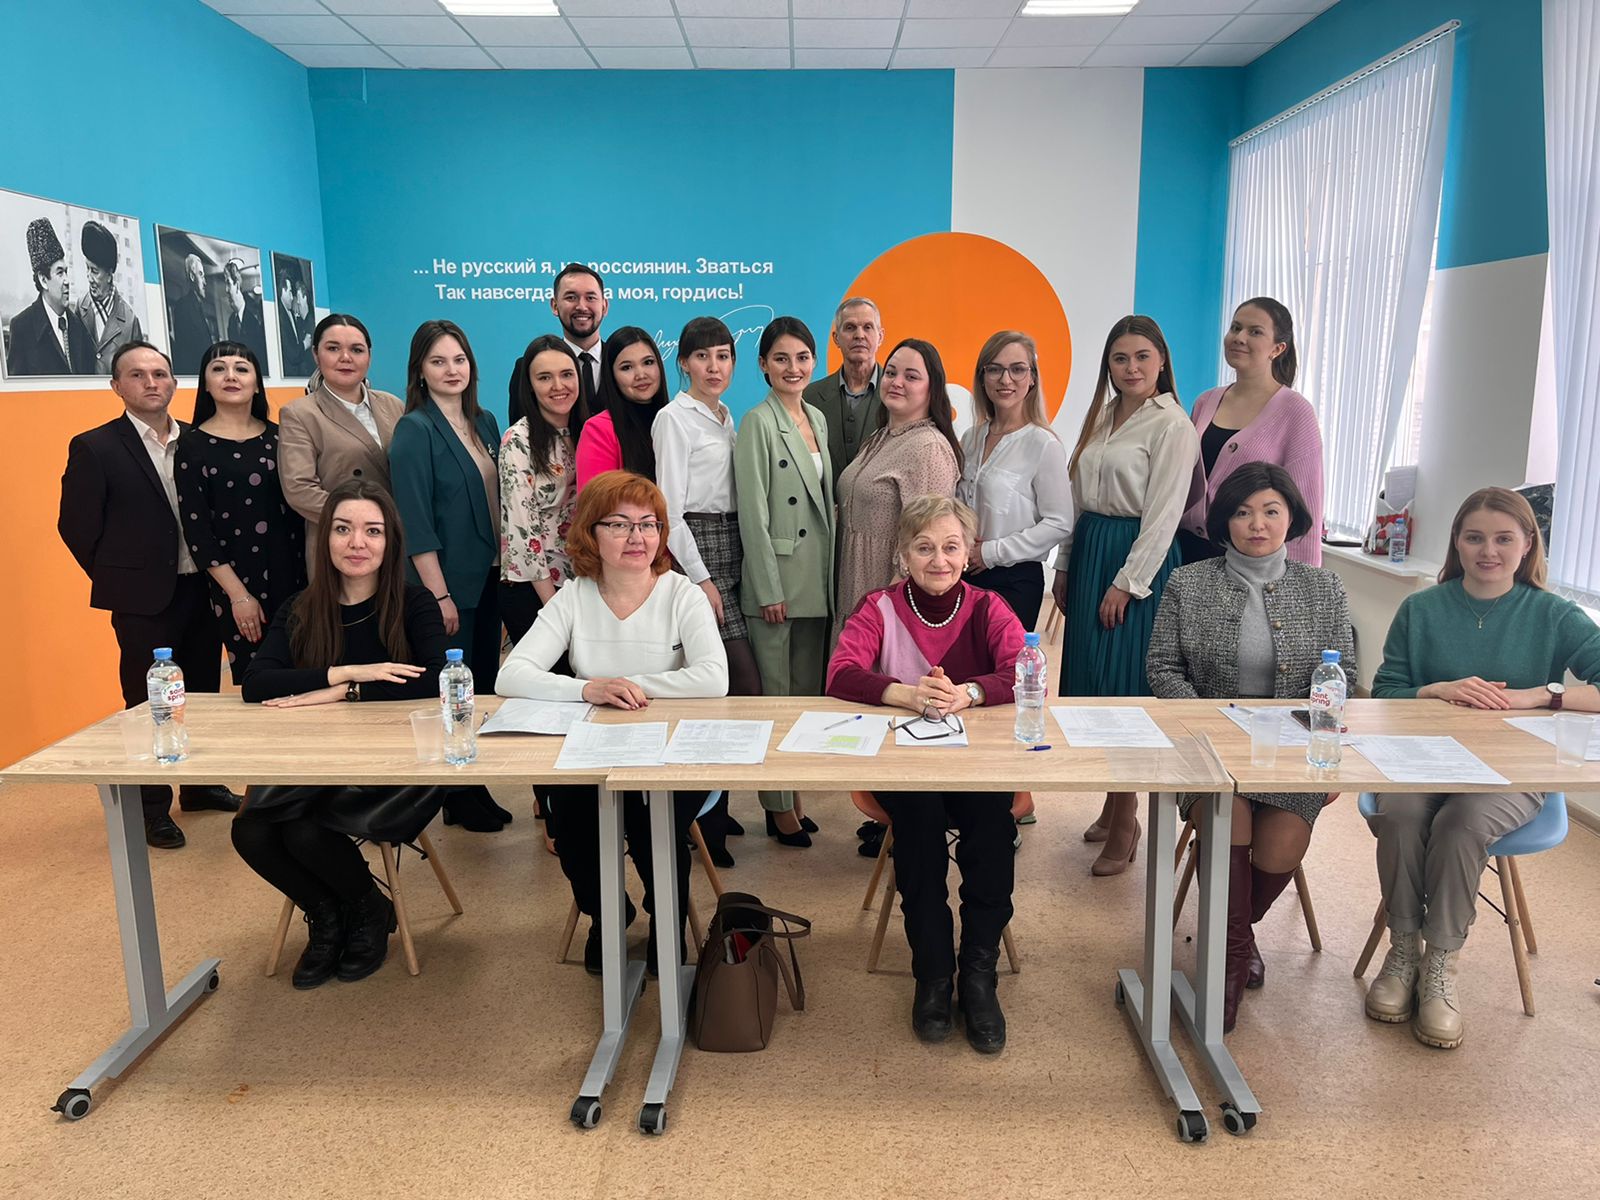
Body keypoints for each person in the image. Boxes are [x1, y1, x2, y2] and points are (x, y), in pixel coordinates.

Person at [1366, 487, 1600, 1049]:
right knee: (1400, 815)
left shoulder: (1554, 615)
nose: (1488, 551)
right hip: (1421, 762)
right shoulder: (1421, 609)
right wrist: (1434, 690)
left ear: (1527, 545)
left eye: (1503, 539)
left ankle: (1440, 963)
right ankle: (1404, 951)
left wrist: (1542, 695)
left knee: (1461, 823)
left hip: (1509, 773)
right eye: (1474, 538)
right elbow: (1383, 692)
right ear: (1457, 542)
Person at [1146, 462, 1353, 1032]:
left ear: (1292, 518)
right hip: (1207, 748)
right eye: (1242, 512)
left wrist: (1321, 746)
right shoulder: (1189, 582)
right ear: (1224, 521)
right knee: (1225, 821)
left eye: (1270, 511)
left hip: (1293, 751)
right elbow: (1162, 668)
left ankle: (1235, 932)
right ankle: (1230, 962)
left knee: (1282, 847)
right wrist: (1210, 724)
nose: (1256, 524)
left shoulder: (1324, 587)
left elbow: (1344, 676)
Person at [497, 471, 728, 976]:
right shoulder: (574, 596)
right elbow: (511, 675)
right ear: (591, 534)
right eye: (619, 524)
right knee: (572, 822)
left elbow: (714, 679)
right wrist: (588, 689)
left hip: (671, 750)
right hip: (594, 749)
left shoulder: (682, 594)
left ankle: (666, 921)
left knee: (652, 820)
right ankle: (607, 914)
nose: (637, 537)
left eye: (648, 524)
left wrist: (630, 685)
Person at [827, 496, 1025, 1054]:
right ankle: (933, 974)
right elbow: (840, 673)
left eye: (951, 547)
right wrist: (906, 694)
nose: (939, 559)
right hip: (905, 767)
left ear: (967, 553)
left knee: (992, 833)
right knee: (918, 835)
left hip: (977, 768)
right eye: (924, 547)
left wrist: (971, 692)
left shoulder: (988, 606)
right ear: (903, 554)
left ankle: (979, 974)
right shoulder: (879, 606)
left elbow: (1023, 670)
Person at [234, 480, 448, 990]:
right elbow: (256, 684)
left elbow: (439, 680)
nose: (357, 543)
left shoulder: (414, 603)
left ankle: (365, 911)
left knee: (306, 830)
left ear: (390, 541)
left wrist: (344, 693)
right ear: (325, 538)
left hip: (399, 769)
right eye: (343, 529)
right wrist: (347, 672)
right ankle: (332, 912)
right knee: (250, 831)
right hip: (314, 762)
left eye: (372, 531)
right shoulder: (301, 607)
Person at [57, 342, 238, 850]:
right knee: (148, 702)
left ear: (174, 383)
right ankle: (151, 808)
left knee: (202, 692)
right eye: (137, 375)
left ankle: (200, 787)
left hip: (203, 588)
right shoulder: (96, 447)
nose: (151, 382)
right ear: (117, 386)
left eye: (160, 373)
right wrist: (121, 576)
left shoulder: (198, 440)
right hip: (142, 600)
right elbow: (76, 527)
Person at [1052, 315, 1199, 876]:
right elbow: (1076, 500)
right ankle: (1112, 806)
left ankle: (1128, 817)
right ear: (1108, 366)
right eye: (1120, 358)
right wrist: (1065, 565)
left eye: (1142, 356)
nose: (1131, 367)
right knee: (1093, 681)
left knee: (1125, 687)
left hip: (1136, 560)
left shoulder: (1173, 425)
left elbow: (1163, 517)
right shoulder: (1102, 416)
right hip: (1092, 548)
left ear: (1161, 361)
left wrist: (1127, 583)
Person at [389, 319, 509, 835]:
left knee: (481, 685)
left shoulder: (485, 421)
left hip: (490, 576)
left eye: (459, 359)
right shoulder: (414, 430)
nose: (451, 370)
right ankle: (456, 792)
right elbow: (414, 521)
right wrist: (438, 594)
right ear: (420, 371)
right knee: (455, 692)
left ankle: (471, 786)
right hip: (446, 585)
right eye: (438, 361)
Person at [652, 316, 761, 863]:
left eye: (723, 356)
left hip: (735, 541)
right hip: (698, 545)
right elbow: (668, 512)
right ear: (684, 363)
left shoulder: (726, 416)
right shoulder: (673, 419)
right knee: (734, 683)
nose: (714, 366)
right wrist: (701, 578)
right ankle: (702, 819)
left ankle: (717, 809)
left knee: (734, 690)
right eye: (702, 356)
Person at [735, 316, 834, 843]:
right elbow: (753, 514)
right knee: (775, 699)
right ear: (763, 365)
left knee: (804, 698)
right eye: (781, 358)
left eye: (802, 358)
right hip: (777, 581)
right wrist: (767, 587)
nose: (793, 368)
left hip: (816, 578)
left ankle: (793, 791)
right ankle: (775, 806)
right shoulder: (756, 422)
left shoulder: (816, 417)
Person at [176, 341, 307, 684]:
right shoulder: (192, 445)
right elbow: (197, 531)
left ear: (257, 384)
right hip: (238, 586)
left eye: (242, 369)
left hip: (297, 577)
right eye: (219, 369)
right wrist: (239, 596)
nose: (231, 376)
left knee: (309, 670)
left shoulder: (281, 437)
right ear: (206, 384)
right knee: (260, 679)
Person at [833, 337, 962, 646]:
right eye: (891, 373)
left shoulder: (928, 449)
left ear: (932, 388)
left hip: (887, 600)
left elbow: (926, 543)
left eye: (911, 376)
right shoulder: (881, 437)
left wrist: (885, 612)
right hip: (854, 587)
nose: (897, 382)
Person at [1178, 298, 1323, 565]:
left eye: (1255, 332)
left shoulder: (1295, 411)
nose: (1239, 338)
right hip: (1186, 551)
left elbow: (1306, 508)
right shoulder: (1205, 402)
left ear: (1278, 348)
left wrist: (1302, 581)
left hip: (1249, 561)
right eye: (1235, 328)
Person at [957, 331, 1072, 630]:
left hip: (1013, 582)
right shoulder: (971, 438)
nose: (1005, 379)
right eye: (995, 369)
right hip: (962, 575)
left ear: (1032, 378)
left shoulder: (1043, 444)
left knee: (1004, 661)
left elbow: (1059, 523)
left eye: (1017, 369)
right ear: (982, 378)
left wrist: (991, 553)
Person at [278, 314, 404, 543]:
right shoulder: (299, 413)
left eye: (357, 350)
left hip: (396, 536)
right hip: (340, 539)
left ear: (369, 357)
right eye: (333, 348)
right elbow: (299, 490)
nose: (346, 358)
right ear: (316, 354)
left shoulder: (393, 405)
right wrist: (364, 520)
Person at [500, 335, 587, 645]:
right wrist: (553, 607)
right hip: (536, 589)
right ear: (530, 385)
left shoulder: (587, 430)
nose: (558, 386)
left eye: (566, 374)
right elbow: (523, 531)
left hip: (581, 582)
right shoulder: (518, 440)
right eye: (545, 377)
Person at [574, 326, 670, 491]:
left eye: (648, 362)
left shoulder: (675, 420)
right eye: (627, 367)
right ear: (611, 376)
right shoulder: (598, 430)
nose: (641, 375)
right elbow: (594, 502)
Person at [803, 297, 885, 488]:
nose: (859, 335)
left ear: (880, 336)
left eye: (867, 327)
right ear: (836, 338)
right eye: (850, 327)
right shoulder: (809, 397)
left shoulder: (899, 396)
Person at [8, 217, 96, 376]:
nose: (67, 281)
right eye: (60, 273)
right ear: (43, 280)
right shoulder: (22, 327)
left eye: (66, 272)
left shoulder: (79, 326)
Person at [76, 220, 143, 374]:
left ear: (109, 273)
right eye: (87, 268)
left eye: (94, 271)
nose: (89, 277)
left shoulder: (130, 321)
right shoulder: (80, 308)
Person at [168, 253, 219, 376]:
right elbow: (185, 351)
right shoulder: (183, 306)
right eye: (201, 275)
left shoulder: (199, 306)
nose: (205, 282)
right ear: (192, 276)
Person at [222, 259, 269, 368]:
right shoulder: (231, 321)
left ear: (237, 285)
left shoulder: (257, 313)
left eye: (228, 283)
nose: (226, 290)